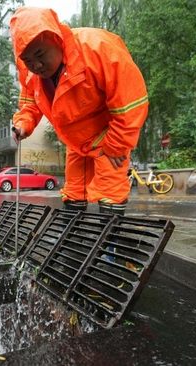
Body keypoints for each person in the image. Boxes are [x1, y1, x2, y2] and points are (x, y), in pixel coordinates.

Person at [10, 7, 148, 215]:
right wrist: (23, 124)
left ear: (56, 38)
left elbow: (131, 100)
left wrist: (117, 144)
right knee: (73, 193)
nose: (36, 65)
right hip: (75, 142)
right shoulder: (29, 73)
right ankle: (73, 240)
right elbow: (31, 104)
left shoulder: (97, 49)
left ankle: (110, 246)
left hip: (107, 136)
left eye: (40, 54)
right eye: (28, 61)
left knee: (110, 194)